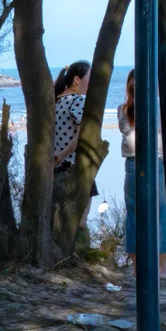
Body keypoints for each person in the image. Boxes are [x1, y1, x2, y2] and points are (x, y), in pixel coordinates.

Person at [119, 70, 166, 278]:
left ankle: (136, 266)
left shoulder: (122, 109)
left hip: (132, 164)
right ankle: (160, 266)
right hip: (155, 162)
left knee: (133, 215)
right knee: (160, 214)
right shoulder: (159, 107)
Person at [53, 61, 100, 231]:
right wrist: (63, 154)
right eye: (90, 78)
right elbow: (81, 136)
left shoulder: (56, 101)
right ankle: (77, 255)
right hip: (75, 168)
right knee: (78, 223)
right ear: (77, 80)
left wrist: (58, 157)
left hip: (57, 170)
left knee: (60, 222)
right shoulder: (78, 100)